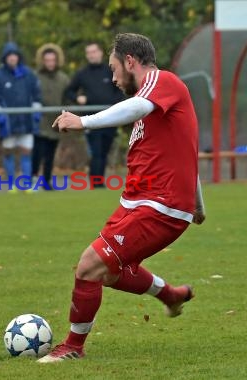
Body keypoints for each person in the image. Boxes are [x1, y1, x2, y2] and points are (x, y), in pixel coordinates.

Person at [38, 33, 206, 363]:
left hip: (161, 206)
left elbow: (135, 107)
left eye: (114, 69)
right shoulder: (153, 104)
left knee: (89, 266)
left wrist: (82, 121)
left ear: (131, 61)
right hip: (139, 202)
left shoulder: (162, 82)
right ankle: (170, 295)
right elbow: (185, 150)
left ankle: (73, 347)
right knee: (110, 272)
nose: (113, 79)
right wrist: (198, 203)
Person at [64, 41, 125, 187]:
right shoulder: (82, 74)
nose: (91, 55)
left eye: (94, 51)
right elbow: (69, 91)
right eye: (88, 52)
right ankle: (96, 183)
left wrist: (115, 105)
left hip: (110, 118)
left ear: (99, 53)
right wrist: (78, 98)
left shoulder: (110, 71)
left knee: (104, 151)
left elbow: (120, 90)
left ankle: (98, 181)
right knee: (96, 151)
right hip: (91, 119)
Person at [0, 42, 42, 192]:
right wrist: (0, 116)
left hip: (26, 122)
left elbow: (37, 95)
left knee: (26, 153)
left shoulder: (28, 74)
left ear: (18, 57)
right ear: (5, 58)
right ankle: (11, 185)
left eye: (15, 55)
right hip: (8, 124)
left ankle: (27, 184)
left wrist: (36, 112)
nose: (12, 58)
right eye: (9, 56)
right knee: (8, 153)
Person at [32, 43, 70, 190]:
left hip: (55, 122)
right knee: (37, 153)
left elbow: (67, 98)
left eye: (52, 60)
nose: (50, 63)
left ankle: (46, 181)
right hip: (39, 121)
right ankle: (34, 179)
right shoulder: (35, 77)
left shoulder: (63, 78)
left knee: (50, 154)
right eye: (47, 60)